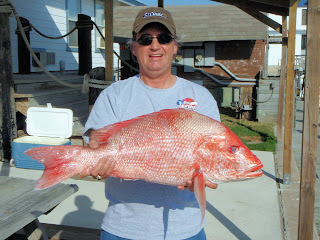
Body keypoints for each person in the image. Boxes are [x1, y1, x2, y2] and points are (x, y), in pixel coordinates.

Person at [80, 7, 220, 240]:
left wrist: (202, 178)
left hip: (186, 230)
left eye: (163, 38)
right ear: (134, 49)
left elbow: (212, 158)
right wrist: (96, 165)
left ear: (174, 47)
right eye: (146, 40)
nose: (155, 46)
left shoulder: (200, 97)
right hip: (123, 230)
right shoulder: (114, 95)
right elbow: (95, 146)